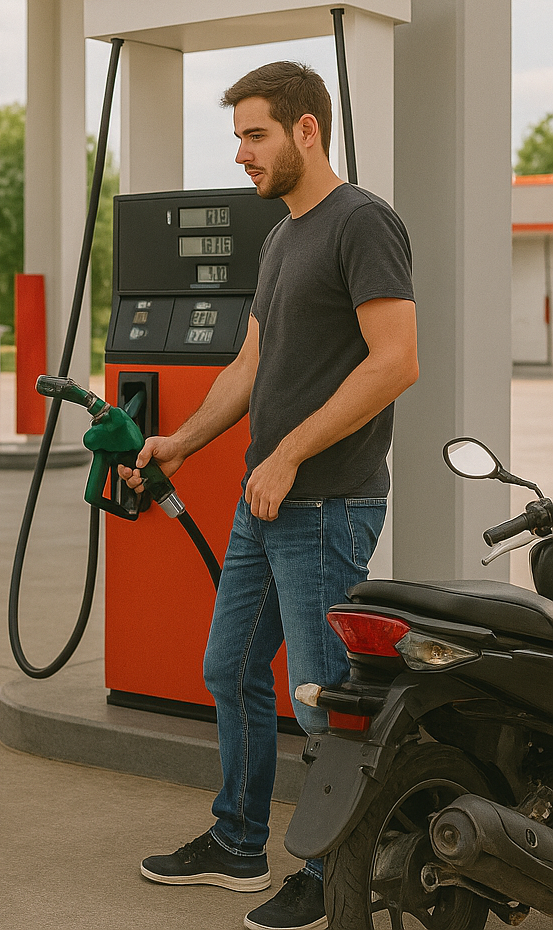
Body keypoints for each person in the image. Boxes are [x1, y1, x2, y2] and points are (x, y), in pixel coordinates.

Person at [119, 61, 418, 930]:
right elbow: (249, 363)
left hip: (327, 500)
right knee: (232, 668)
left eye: (256, 134)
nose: (241, 152)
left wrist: (287, 453)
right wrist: (178, 442)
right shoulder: (283, 236)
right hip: (269, 495)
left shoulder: (362, 224)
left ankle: (334, 874)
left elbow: (396, 359)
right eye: (239, 134)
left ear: (307, 129)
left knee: (324, 698)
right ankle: (238, 842)